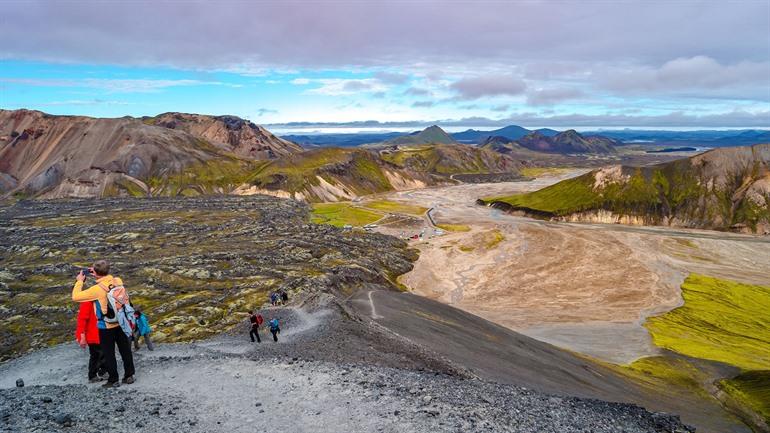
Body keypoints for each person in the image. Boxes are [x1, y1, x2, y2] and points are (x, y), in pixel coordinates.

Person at [71, 260, 135, 388]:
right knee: (125, 350)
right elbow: (105, 276)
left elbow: (75, 297)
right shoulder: (118, 281)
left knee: (108, 353)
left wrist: (79, 281)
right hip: (121, 322)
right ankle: (129, 375)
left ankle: (113, 379)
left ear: (95, 273)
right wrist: (98, 271)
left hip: (106, 325)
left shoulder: (96, 289)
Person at [74, 300, 106, 382]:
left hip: (99, 333)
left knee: (102, 354)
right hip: (93, 335)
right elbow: (82, 319)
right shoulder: (88, 302)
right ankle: (93, 375)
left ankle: (102, 372)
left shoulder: (98, 300)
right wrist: (82, 335)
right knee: (96, 355)